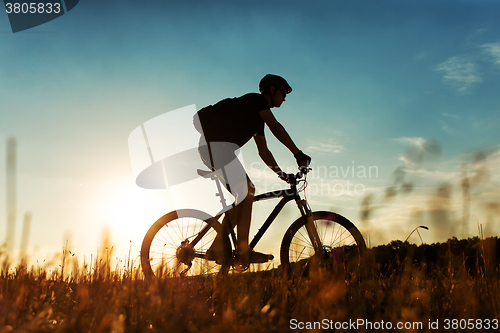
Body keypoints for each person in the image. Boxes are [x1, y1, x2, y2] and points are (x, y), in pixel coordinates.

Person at [194, 74, 311, 267]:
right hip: (215, 149)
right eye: (283, 93)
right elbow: (276, 127)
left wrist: (282, 175)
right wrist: (298, 153)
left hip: (216, 150)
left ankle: (217, 247)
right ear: (272, 90)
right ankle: (242, 251)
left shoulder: (257, 119)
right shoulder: (256, 101)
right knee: (247, 191)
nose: (284, 98)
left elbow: (263, 152)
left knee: (244, 196)